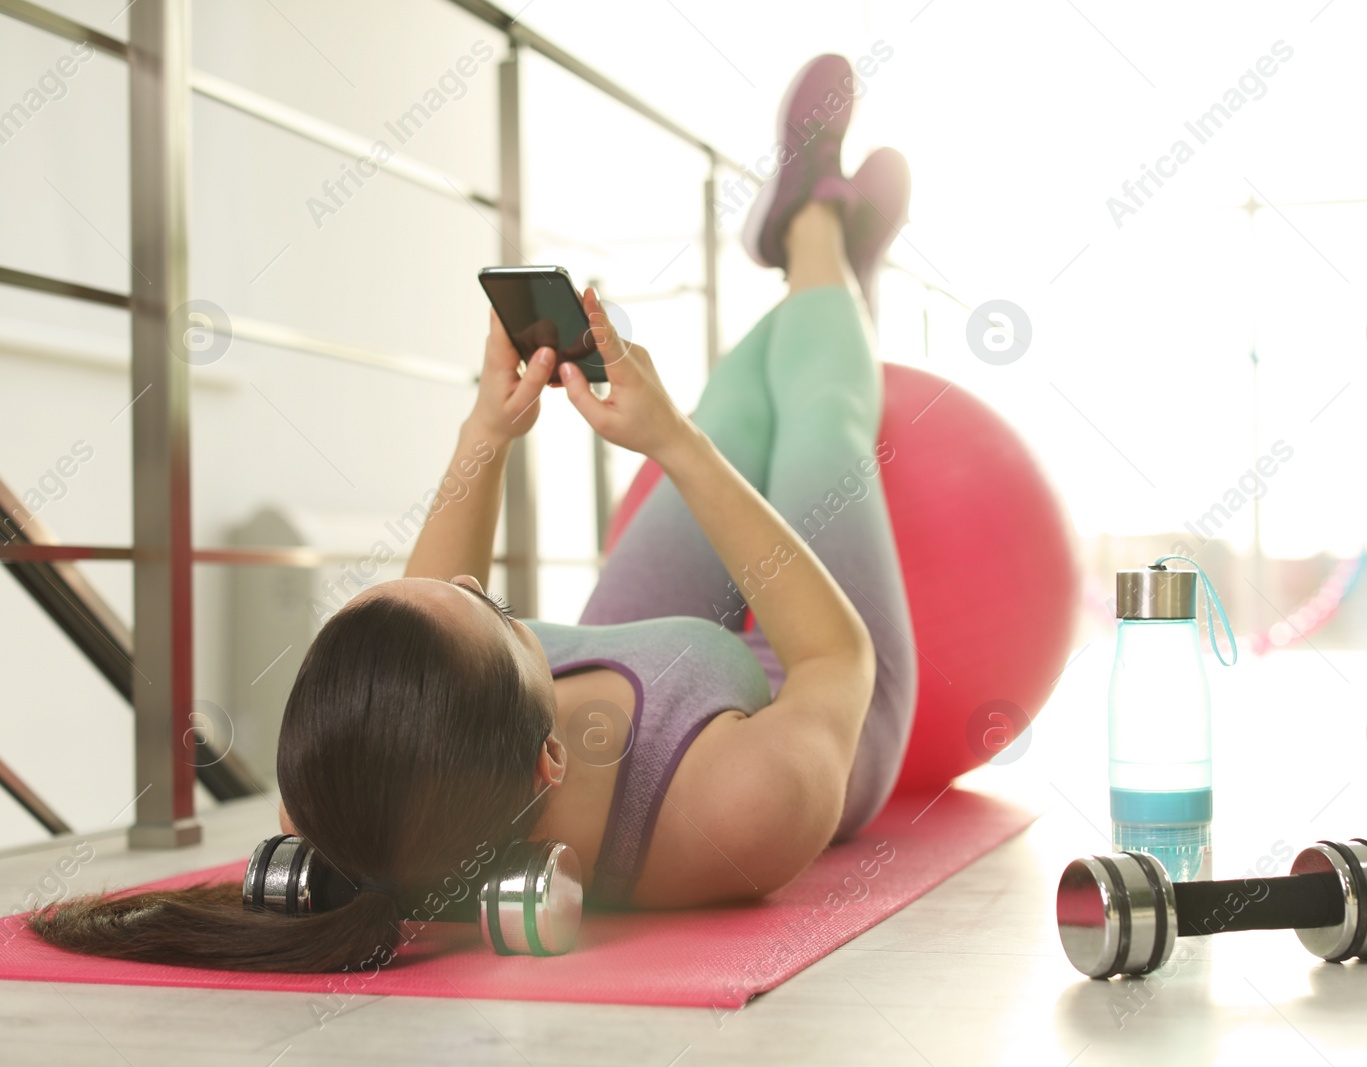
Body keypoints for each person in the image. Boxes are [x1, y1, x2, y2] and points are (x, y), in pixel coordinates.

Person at [31, 55, 916, 972]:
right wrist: (674, 445)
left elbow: (431, 621)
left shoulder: (341, 783)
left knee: (736, 414)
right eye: (493, 609)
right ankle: (818, 231)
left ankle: (825, 257)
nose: (466, 580)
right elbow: (835, 658)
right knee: (820, 425)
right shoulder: (740, 806)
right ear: (547, 760)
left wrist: (487, 429)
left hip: (638, 659)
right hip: (800, 677)